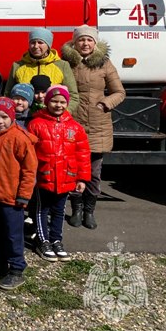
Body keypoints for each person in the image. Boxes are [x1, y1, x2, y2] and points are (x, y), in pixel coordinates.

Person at [61, 25, 125, 230]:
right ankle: (76, 210)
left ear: (95, 43)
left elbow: (119, 92)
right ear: (75, 42)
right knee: (73, 169)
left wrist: (105, 103)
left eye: (89, 40)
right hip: (73, 122)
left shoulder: (104, 64)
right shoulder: (66, 63)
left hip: (98, 123)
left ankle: (89, 211)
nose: (85, 44)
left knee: (94, 172)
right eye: (81, 40)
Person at [0, 97, 38, 291]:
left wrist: (24, 195)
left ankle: (17, 269)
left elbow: (29, 170)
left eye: (4, 117)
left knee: (13, 235)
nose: (0, 121)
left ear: (12, 117)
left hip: (11, 197)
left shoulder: (20, 138)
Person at [28, 86, 91, 263]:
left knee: (59, 210)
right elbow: (30, 153)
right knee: (42, 209)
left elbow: (83, 154)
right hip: (44, 176)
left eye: (62, 102)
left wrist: (82, 178)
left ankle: (57, 240)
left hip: (66, 177)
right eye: (54, 101)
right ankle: (43, 241)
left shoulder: (75, 128)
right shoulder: (36, 124)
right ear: (47, 102)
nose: (58, 105)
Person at [4, 28, 79, 113]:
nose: (36, 46)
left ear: (48, 45)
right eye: (33, 42)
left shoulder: (62, 65)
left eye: (40, 42)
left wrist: (63, 113)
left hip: (52, 118)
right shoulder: (18, 66)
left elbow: (73, 96)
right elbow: (8, 95)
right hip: (24, 119)